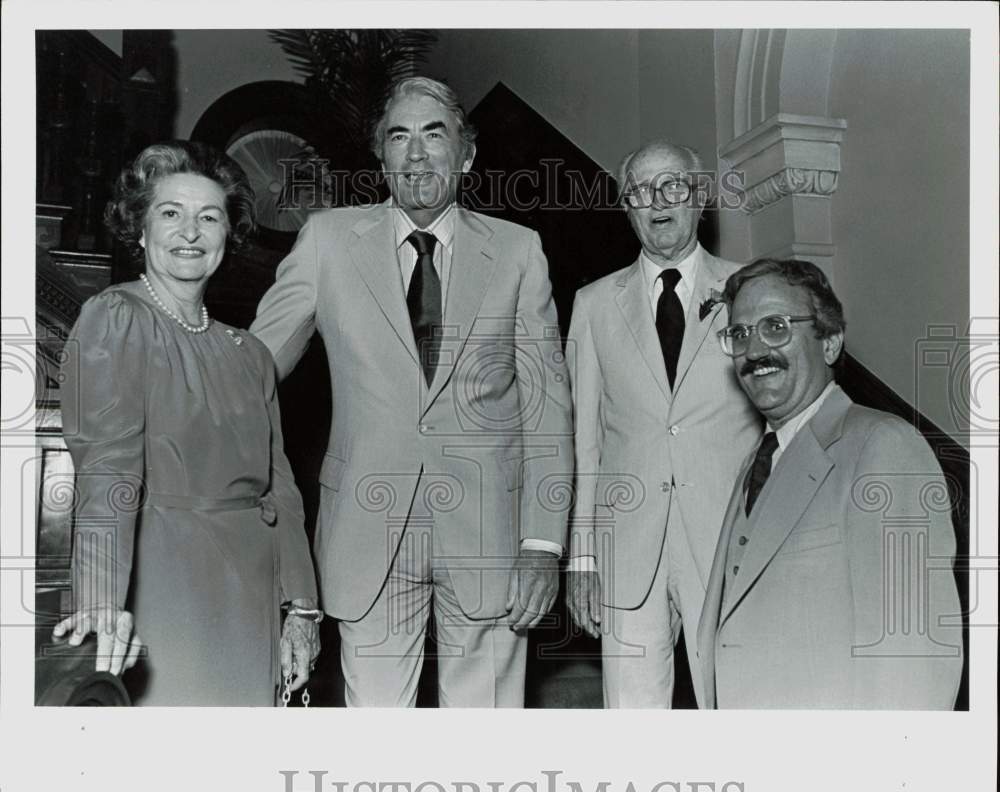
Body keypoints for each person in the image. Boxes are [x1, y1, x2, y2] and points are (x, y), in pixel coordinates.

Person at [250, 77, 573, 707]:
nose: (417, 153)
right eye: (399, 136)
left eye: (434, 134)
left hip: (491, 537)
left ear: (467, 154)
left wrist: (543, 542)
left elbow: (547, 408)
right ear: (382, 157)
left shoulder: (517, 250)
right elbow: (252, 370)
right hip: (366, 533)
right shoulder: (328, 241)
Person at [53, 141, 320, 706]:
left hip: (252, 592)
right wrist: (100, 601)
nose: (190, 232)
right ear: (141, 231)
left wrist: (302, 607)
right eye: (170, 214)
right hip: (164, 586)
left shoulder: (249, 352)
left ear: (229, 235)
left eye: (209, 217)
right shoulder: (116, 318)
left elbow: (282, 486)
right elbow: (106, 470)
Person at [697, 258, 963, 708]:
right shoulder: (756, 463)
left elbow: (912, 653)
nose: (754, 349)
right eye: (739, 333)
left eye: (776, 326)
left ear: (830, 343)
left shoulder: (883, 446)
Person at [565, 141, 761, 708]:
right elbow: (586, 445)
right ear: (627, 208)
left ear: (699, 197)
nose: (658, 203)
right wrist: (582, 558)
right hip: (626, 550)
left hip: (730, 544)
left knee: (737, 712)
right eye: (640, 192)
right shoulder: (594, 304)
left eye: (673, 186)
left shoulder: (749, 289)